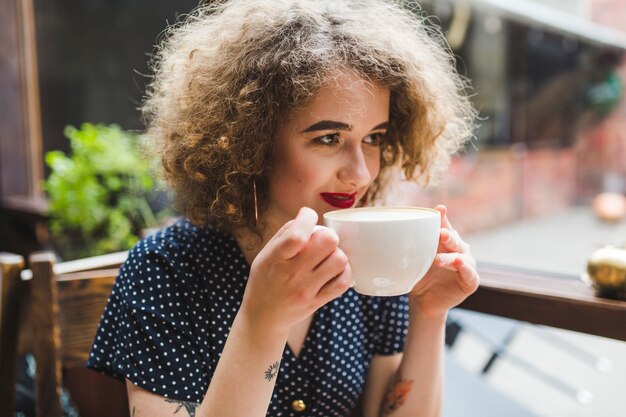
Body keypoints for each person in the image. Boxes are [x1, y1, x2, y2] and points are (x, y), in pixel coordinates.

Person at [87, 0, 479, 416]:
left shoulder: (370, 256)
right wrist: (262, 323)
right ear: (252, 144)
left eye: (374, 137)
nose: (361, 174)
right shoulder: (164, 271)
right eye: (329, 138)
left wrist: (429, 313)